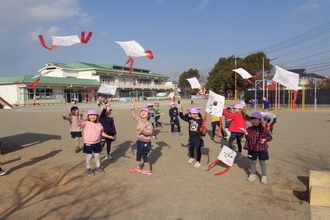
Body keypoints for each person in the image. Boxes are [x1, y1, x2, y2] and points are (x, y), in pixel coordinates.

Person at [77, 109, 114, 176]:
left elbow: (101, 133)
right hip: (88, 143)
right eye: (90, 115)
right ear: (88, 116)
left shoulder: (99, 124)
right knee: (89, 156)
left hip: (97, 142)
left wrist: (108, 136)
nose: (92, 117)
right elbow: (79, 123)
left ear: (97, 116)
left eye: (94, 115)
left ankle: (98, 167)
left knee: (97, 155)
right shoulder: (86, 123)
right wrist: (77, 118)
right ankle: (88, 168)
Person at [240, 112, 272, 184]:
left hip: (262, 149)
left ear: (260, 120)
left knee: (262, 162)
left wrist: (265, 139)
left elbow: (270, 137)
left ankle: (264, 176)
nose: (253, 121)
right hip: (252, 149)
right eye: (252, 120)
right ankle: (252, 174)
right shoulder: (249, 129)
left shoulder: (264, 129)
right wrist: (246, 133)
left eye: (255, 120)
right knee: (253, 162)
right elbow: (248, 138)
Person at [129, 101, 154, 175]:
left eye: (145, 112)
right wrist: (132, 107)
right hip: (139, 140)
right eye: (141, 112)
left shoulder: (149, 124)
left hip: (146, 141)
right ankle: (137, 166)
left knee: (144, 154)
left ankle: (148, 168)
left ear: (149, 115)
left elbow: (149, 132)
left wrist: (142, 130)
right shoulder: (139, 120)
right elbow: (133, 115)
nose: (143, 113)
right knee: (138, 153)